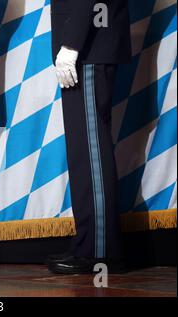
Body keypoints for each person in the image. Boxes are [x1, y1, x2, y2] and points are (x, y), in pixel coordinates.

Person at [46, 0, 132, 274]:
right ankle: (89, 243)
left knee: (91, 152)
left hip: (89, 46)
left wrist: (72, 44)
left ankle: (100, 249)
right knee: (84, 151)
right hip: (88, 45)